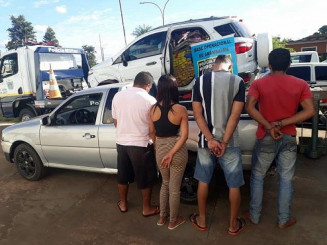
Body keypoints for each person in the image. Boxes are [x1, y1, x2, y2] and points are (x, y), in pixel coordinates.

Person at [245, 48, 315, 229]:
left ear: (269, 64)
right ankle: (284, 219)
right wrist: (282, 123)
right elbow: (310, 111)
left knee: (258, 176)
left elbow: (250, 107)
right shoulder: (300, 84)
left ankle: (254, 216)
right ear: (289, 65)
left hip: (266, 135)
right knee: (286, 179)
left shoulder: (259, 84)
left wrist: (269, 126)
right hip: (289, 135)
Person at [190, 55, 246, 236]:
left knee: (203, 180)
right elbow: (235, 116)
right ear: (229, 67)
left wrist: (210, 139)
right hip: (230, 142)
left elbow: (197, 115)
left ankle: (202, 220)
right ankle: (232, 226)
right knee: (234, 184)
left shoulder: (199, 82)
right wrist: (223, 141)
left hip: (206, 142)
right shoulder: (238, 82)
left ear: (214, 65)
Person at [112, 71, 160, 217]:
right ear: (148, 85)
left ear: (135, 82)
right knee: (144, 178)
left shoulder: (118, 95)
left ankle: (123, 204)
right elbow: (154, 128)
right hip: (141, 145)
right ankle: (146, 208)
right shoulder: (150, 100)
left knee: (123, 176)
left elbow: (115, 122)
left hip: (122, 143)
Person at [149, 74, 189, 230]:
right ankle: (173, 221)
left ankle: (161, 218)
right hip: (176, 149)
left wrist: (158, 149)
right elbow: (184, 136)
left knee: (164, 184)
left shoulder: (152, 109)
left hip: (160, 148)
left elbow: (152, 132)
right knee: (174, 188)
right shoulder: (180, 109)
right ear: (174, 89)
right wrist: (171, 153)